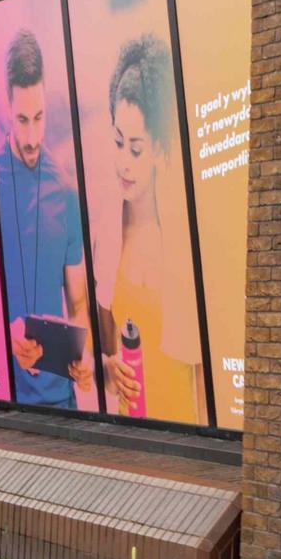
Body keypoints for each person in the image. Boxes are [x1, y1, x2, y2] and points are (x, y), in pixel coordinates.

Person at [99, 31, 205, 423]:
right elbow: (101, 344)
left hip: (185, 437)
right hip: (133, 438)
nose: (123, 161)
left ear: (159, 149)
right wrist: (107, 370)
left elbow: (202, 371)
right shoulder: (108, 230)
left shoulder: (182, 235)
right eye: (117, 141)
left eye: (136, 148)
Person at [0, 28, 95, 407]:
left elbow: (79, 304)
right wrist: (7, 333)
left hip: (60, 401)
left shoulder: (66, 191)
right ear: (6, 107)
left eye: (39, 117)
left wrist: (82, 356)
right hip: (2, 401)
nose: (34, 136)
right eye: (22, 120)